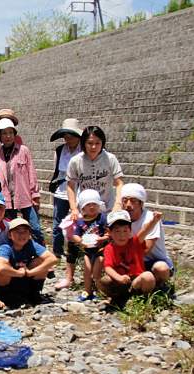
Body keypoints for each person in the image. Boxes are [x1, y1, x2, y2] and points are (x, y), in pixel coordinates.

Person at [0, 118, 44, 245]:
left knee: (35, 227)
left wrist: (35, 194)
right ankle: (16, 254)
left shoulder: (23, 150)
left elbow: (31, 173)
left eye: (10, 132)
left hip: (24, 197)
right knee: (11, 229)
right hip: (6, 199)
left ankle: (41, 254)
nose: (8, 136)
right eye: (4, 133)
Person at [49, 118, 83, 290]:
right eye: (66, 136)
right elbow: (57, 170)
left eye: (71, 136)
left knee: (77, 225)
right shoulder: (60, 150)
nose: (68, 139)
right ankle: (56, 253)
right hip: (61, 191)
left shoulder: (84, 150)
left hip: (79, 192)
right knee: (57, 225)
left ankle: (77, 254)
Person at [100, 210, 162, 303]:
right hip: (120, 281)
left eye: (125, 230)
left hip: (136, 281)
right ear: (109, 232)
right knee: (105, 280)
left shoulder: (135, 242)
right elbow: (108, 267)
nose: (122, 235)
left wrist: (154, 221)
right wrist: (119, 278)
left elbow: (145, 230)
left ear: (130, 231)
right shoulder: (109, 248)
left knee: (148, 276)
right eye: (117, 231)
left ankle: (142, 300)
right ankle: (118, 298)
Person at [0, 218, 57, 306]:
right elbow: (1, 268)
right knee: (1, 270)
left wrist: (31, 272)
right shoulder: (5, 247)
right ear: (9, 235)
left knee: (41, 260)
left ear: (29, 234)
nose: (22, 235)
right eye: (17, 232)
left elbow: (52, 259)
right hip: (10, 281)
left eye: (25, 231)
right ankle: (6, 297)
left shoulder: (31, 244)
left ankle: (34, 294)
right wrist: (18, 273)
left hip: (25, 277)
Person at [121, 183, 173, 288]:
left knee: (161, 268)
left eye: (133, 201)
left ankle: (159, 288)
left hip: (153, 260)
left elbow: (146, 249)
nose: (128, 205)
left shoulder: (151, 219)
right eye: (125, 200)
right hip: (131, 260)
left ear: (141, 203)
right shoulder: (121, 218)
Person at [67, 126, 124, 221]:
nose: (94, 147)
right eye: (90, 143)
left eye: (97, 143)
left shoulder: (110, 159)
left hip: (107, 208)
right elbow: (70, 186)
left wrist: (118, 204)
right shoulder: (75, 161)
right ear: (83, 143)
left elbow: (119, 183)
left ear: (102, 143)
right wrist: (73, 208)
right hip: (85, 209)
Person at [70, 190, 108, 302]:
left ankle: (100, 290)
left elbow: (109, 233)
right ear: (83, 208)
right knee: (87, 271)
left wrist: (103, 238)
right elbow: (75, 235)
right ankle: (87, 290)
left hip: (100, 249)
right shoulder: (80, 221)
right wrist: (80, 241)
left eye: (94, 204)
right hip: (87, 250)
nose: (92, 207)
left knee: (96, 273)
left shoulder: (102, 218)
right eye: (88, 205)